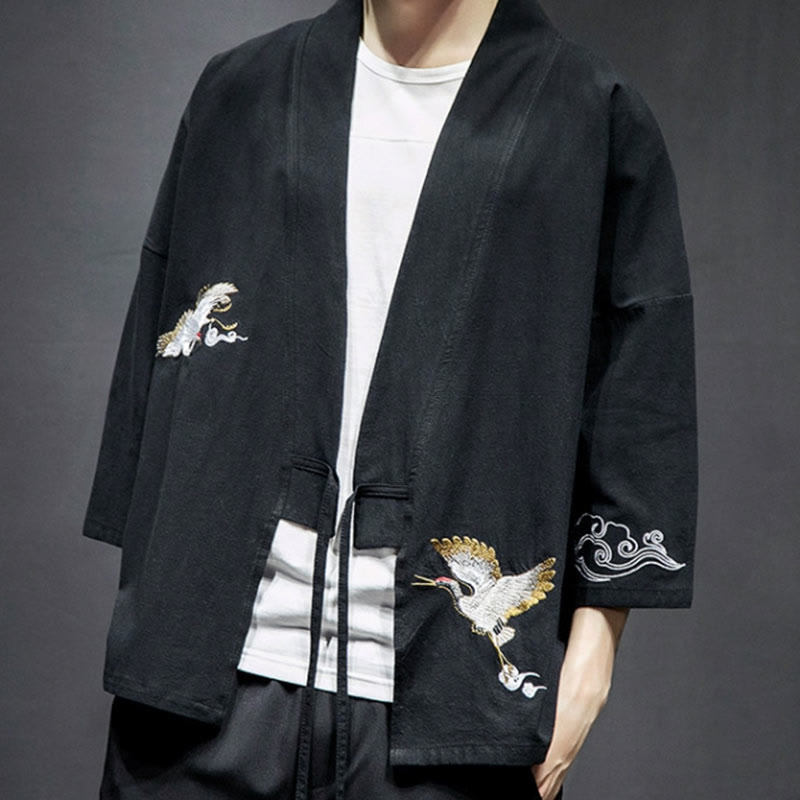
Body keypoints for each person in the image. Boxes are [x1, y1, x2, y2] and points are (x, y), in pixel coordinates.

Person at [84, 0, 697, 798]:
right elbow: (164, 335)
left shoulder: (589, 113)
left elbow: (639, 386)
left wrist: (595, 653)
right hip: (205, 690)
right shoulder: (244, 89)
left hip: (445, 711)